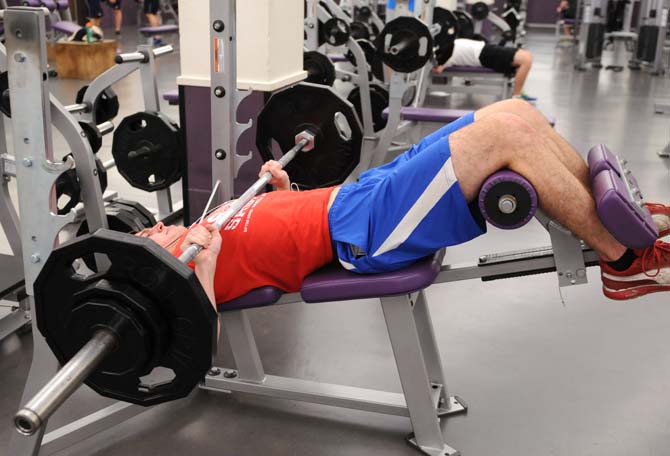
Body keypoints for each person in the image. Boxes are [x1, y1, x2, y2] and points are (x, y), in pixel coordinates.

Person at [137, 99, 670, 311]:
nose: (154, 224)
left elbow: (274, 237)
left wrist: (282, 189)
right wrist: (202, 270)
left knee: (514, 112)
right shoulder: (188, 268)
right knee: (507, 136)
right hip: (364, 232)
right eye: (143, 237)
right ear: (148, 261)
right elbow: (197, 335)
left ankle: (612, 213)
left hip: (361, 193)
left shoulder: (199, 226)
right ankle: (622, 262)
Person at [433, 38, 536, 102]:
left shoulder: (446, 45)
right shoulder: (442, 57)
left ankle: (518, 92)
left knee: (527, 56)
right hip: (483, 55)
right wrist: (440, 65)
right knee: (526, 60)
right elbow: (437, 69)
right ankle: (516, 96)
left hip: (485, 48)